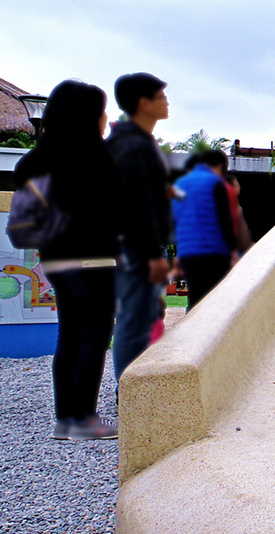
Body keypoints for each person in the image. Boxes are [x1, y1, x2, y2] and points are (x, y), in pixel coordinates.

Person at [14, 80, 121, 440]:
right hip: (92, 260)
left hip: (56, 261)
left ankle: (67, 419)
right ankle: (84, 419)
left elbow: (23, 225)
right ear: (87, 116)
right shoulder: (95, 159)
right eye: (102, 111)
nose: (106, 119)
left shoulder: (36, 160)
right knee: (94, 335)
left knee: (70, 335)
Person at [108, 72, 172, 384]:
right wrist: (152, 255)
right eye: (161, 96)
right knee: (134, 321)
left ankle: (138, 393)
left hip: (135, 246)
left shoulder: (134, 142)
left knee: (144, 317)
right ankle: (130, 398)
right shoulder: (132, 146)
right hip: (134, 248)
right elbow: (136, 206)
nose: (167, 102)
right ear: (144, 104)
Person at [172, 149, 237, 309]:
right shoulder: (215, 182)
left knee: (194, 301)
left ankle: (191, 333)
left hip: (188, 253)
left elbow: (177, 220)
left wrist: (179, 253)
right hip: (214, 251)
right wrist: (233, 250)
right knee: (213, 303)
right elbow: (223, 218)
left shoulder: (180, 184)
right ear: (220, 166)